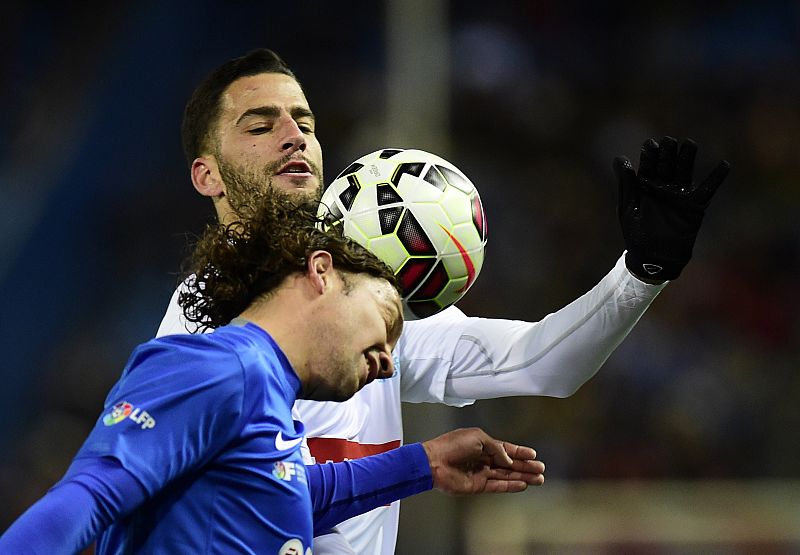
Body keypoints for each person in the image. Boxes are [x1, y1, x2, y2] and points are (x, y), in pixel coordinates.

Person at [157, 49, 730, 554]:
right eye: (261, 125)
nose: (294, 135)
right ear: (207, 176)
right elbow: (243, 502)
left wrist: (641, 272)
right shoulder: (203, 318)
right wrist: (419, 465)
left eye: (304, 122)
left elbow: (542, 362)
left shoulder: (364, 303)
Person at [0, 194, 546, 554]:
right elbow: (89, 496)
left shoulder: (264, 393)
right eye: (386, 324)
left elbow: (288, 491)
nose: (387, 361)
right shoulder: (215, 368)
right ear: (322, 273)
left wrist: (423, 463)